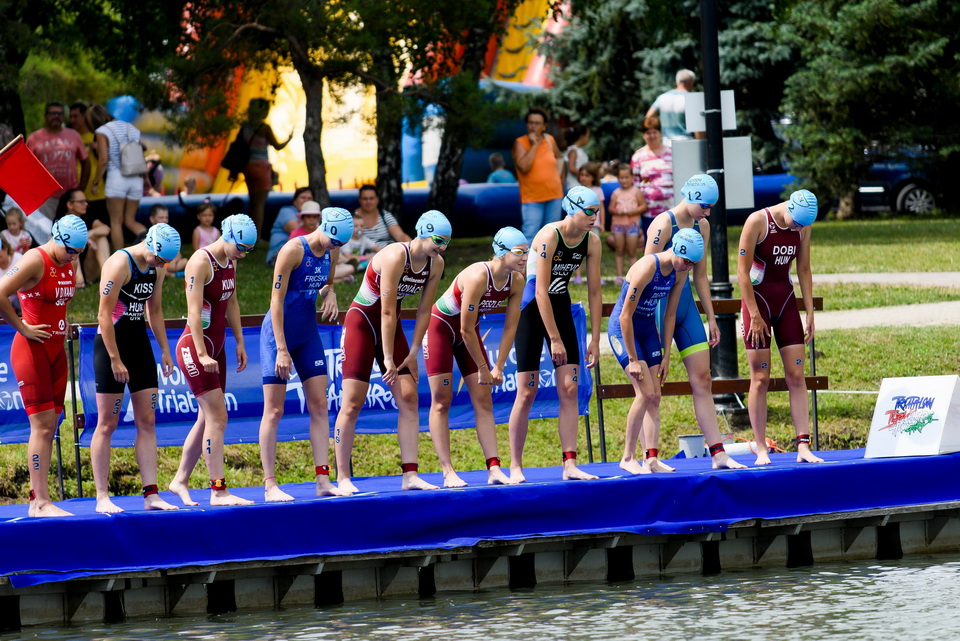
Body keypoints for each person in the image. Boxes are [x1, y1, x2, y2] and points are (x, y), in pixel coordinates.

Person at [334, 211, 450, 494]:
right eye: (438, 240)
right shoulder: (395, 255)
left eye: (447, 242)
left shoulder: (436, 263)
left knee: (409, 397)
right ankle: (342, 477)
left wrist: (412, 351)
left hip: (391, 327)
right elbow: (385, 311)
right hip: (362, 323)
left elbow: (424, 310)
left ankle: (410, 474)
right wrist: (387, 358)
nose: (443, 247)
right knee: (352, 402)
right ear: (423, 232)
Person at [645, 174, 745, 470]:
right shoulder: (663, 225)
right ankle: (650, 457)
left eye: (711, 206)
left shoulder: (702, 226)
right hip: (658, 308)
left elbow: (700, 275)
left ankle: (718, 454)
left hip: (685, 307)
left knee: (702, 380)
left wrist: (711, 317)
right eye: (705, 205)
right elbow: (646, 272)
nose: (708, 212)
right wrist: (656, 337)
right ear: (690, 197)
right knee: (653, 388)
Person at [508, 186, 603, 482]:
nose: (594, 217)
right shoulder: (550, 235)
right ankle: (515, 466)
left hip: (559, 305)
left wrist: (595, 338)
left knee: (570, 388)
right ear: (571, 209)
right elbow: (540, 290)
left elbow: (595, 291)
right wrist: (555, 338)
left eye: (597, 212)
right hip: (532, 308)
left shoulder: (592, 241)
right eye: (589, 211)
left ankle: (570, 464)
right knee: (527, 391)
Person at [259, 208, 354, 501]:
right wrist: (282, 349)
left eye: (340, 244)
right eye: (333, 241)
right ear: (324, 227)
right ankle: (270, 485)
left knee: (320, 404)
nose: (335, 247)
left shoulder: (332, 251)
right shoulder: (292, 250)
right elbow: (275, 301)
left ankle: (323, 480)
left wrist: (331, 294)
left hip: (307, 333)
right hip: (278, 334)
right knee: (274, 411)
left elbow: (327, 284)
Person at [424, 226, 528, 487]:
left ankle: (494, 469)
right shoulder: (478, 276)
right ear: (501, 252)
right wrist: (483, 367)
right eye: (519, 252)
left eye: (527, 252)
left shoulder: (517, 280)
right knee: (441, 401)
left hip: (469, 332)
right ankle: (447, 471)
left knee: (484, 400)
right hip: (441, 329)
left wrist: (499, 366)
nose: (525, 258)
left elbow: (511, 326)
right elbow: (465, 328)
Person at [168, 214, 258, 506]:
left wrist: (240, 341)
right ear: (228, 236)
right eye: (241, 248)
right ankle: (218, 490)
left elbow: (232, 302)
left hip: (216, 346)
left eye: (248, 250)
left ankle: (180, 480)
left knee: (207, 417)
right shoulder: (200, 261)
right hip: (195, 347)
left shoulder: (230, 260)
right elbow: (194, 312)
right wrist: (202, 353)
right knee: (218, 417)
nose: (243, 254)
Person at [91, 224, 181, 513]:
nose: (161, 265)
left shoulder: (157, 268)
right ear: (149, 245)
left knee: (147, 420)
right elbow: (104, 315)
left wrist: (165, 350)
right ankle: (102, 496)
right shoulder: (119, 263)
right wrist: (115, 359)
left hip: (139, 345)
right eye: (159, 259)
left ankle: (151, 494)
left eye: (166, 262)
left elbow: (154, 310)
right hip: (110, 346)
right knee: (107, 424)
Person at [0, 215, 87, 516]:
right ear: (57, 239)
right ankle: (40, 501)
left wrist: (61, 323)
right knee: (41, 426)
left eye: (79, 253)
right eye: (71, 251)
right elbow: (0, 291)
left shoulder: (68, 262)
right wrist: (22, 326)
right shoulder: (34, 260)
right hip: (32, 350)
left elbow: (58, 301)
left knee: (51, 426)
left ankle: (38, 499)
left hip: (56, 351)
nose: (73, 257)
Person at [738, 189, 823, 466]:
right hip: (758, 303)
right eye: (795, 224)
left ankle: (803, 446)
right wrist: (754, 314)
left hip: (785, 302)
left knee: (797, 375)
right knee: (760, 378)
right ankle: (761, 448)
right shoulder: (758, 221)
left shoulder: (804, 224)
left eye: (802, 227)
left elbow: (804, 269)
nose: (798, 229)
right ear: (789, 208)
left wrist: (809, 310)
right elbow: (742, 272)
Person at [608, 228, 701, 473]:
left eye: (693, 264)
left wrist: (666, 353)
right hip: (623, 329)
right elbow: (625, 316)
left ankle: (650, 459)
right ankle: (627, 457)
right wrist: (632, 359)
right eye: (687, 261)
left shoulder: (680, 272)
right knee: (645, 393)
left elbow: (669, 315)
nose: (688, 267)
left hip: (648, 329)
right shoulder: (647, 267)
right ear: (676, 250)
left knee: (656, 395)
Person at [86, 103, 147, 252]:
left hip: (117, 179)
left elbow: (103, 160)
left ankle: (120, 258)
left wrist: (95, 182)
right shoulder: (130, 127)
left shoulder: (102, 131)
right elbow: (140, 154)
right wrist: (146, 179)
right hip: (135, 177)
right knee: (130, 221)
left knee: (116, 222)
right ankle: (153, 248)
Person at [26, 101, 89, 220]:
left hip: (70, 195)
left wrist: (81, 188)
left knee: (71, 227)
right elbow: (26, 167)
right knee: (47, 228)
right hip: (45, 196)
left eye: (60, 114)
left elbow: (86, 162)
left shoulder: (74, 135)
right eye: (53, 113)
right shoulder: (34, 138)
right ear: (46, 116)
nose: (56, 116)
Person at [239, 98, 294, 235]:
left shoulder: (244, 126)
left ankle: (249, 234)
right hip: (261, 167)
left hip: (247, 167)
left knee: (252, 203)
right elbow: (277, 146)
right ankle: (256, 237)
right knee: (259, 205)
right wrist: (289, 138)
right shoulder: (264, 128)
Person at [511, 108, 564, 244]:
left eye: (537, 123)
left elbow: (560, 159)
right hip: (532, 198)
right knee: (530, 235)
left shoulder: (549, 139)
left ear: (544, 126)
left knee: (552, 235)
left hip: (554, 195)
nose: (533, 126)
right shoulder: (520, 142)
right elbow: (524, 167)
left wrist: (559, 180)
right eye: (530, 122)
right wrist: (534, 145)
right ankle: (528, 259)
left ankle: (548, 259)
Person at [55, 189, 110, 289]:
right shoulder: (61, 222)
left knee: (100, 237)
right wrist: (82, 238)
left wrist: (88, 235)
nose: (86, 204)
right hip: (71, 270)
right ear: (70, 205)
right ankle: (78, 279)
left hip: (90, 269)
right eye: (81, 202)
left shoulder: (86, 217)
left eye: (86, 201)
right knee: (71, 243)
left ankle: (108, 277)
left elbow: (105, 229)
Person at [69, 101, 108, 235]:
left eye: (76, 116)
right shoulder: (70, 137)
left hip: (97, 191)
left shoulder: (97, 135)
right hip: (77, 193)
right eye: (71, 117)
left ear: (85, 117)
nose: (73, 120)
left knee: (102, 229)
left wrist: (98, 147)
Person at [631, 116, 673, 236]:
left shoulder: (672, 152)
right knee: (652, 242)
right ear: (643, 135)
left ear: (660, 133)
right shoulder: (638, 156)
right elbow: (635, 185)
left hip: (671, 208)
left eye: (654, 132)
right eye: (648, 133)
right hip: (649, 211)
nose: (652, 136)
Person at [608, 163, 647, 286]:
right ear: (618, 178)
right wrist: (616, 211)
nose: (624, 180)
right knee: (619, 250)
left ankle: (633, 277)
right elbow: (610, 208)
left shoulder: (636, 191)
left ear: (632, 178)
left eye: (626, 177)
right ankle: (619, 276)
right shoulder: (616, 193)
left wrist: (633, 212)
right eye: (621, 177)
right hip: (618, 226)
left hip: (632, 225)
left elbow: (643, 206)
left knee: (632, 251)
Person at [572, 163, 605, 285]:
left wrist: (602, 224)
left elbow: (601, 208)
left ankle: (596, 277)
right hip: (580, 226)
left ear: (593, 177)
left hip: (594, 225)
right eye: (581, 175)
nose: (583, 178)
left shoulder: (598, 190)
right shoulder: (577, 191)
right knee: (577, 251)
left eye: (586, 175)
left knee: (594, 251)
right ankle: (578, 276)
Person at [646, 69, 697, 142]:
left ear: (677, 82)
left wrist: (655, 134)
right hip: (686, 142)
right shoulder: (691, 99)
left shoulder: (662, 97)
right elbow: (697, 128)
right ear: (690, 82)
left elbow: (648, 117)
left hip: (667, 142)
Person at [267, 187, 314, 266]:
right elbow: (299, 233)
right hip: (280, 255)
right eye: (303, 197)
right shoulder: (287, 211)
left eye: (309, 198)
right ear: (294, 200)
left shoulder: (315, 215)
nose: (306, 200)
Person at [147, 205, 187, 273]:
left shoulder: (170, 235)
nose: (165, 220)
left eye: (166, 217)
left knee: (185, 261)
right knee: (154, 268)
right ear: (152, 219)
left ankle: (168, 273)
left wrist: (173, 262)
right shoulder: (148, 235)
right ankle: (173, 274)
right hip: (155, 264)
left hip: (168, 263)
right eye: (161, 218)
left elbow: (178, 254)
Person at [563, 124, 590, 191]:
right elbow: (571, 168)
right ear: (582, 137)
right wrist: (585, 175)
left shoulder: (576, 150)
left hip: (578, 186)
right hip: (574, 186)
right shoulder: (573, 150)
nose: (588, 139)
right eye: (588, 136)